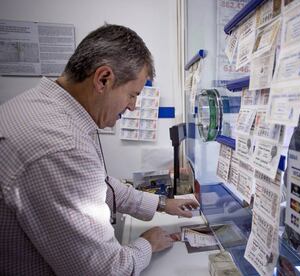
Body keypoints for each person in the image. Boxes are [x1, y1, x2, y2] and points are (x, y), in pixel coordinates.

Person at [0, 24, 199, 275]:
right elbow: (105, 271)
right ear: (103, 79)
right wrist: (147, 244)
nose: (133, 107)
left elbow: (98, 185)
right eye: (132, 95)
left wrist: (161, 203)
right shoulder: (62, 145)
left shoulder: (43, 106)